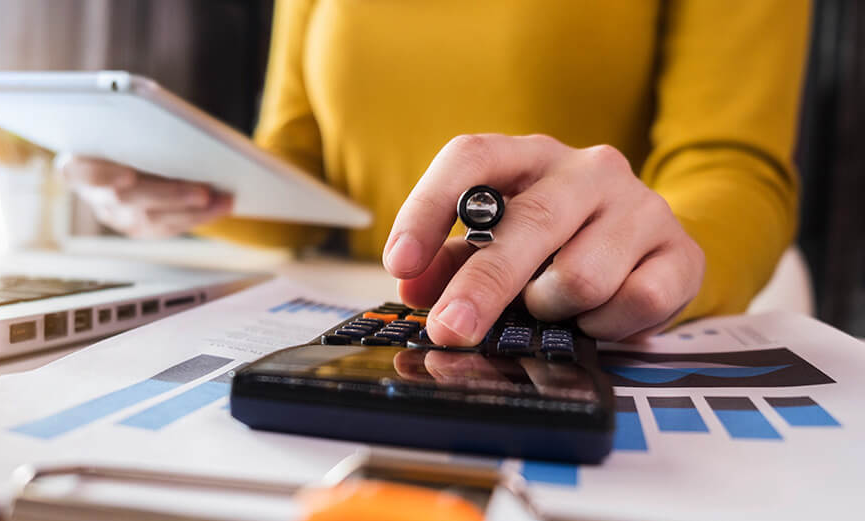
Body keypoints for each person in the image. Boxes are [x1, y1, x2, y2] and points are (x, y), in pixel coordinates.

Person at [61, 1, 810, 346]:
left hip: (560, 321)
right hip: (368, 318)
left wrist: (661, 248)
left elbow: (733, 165)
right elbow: (305, 168)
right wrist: (188, 185)